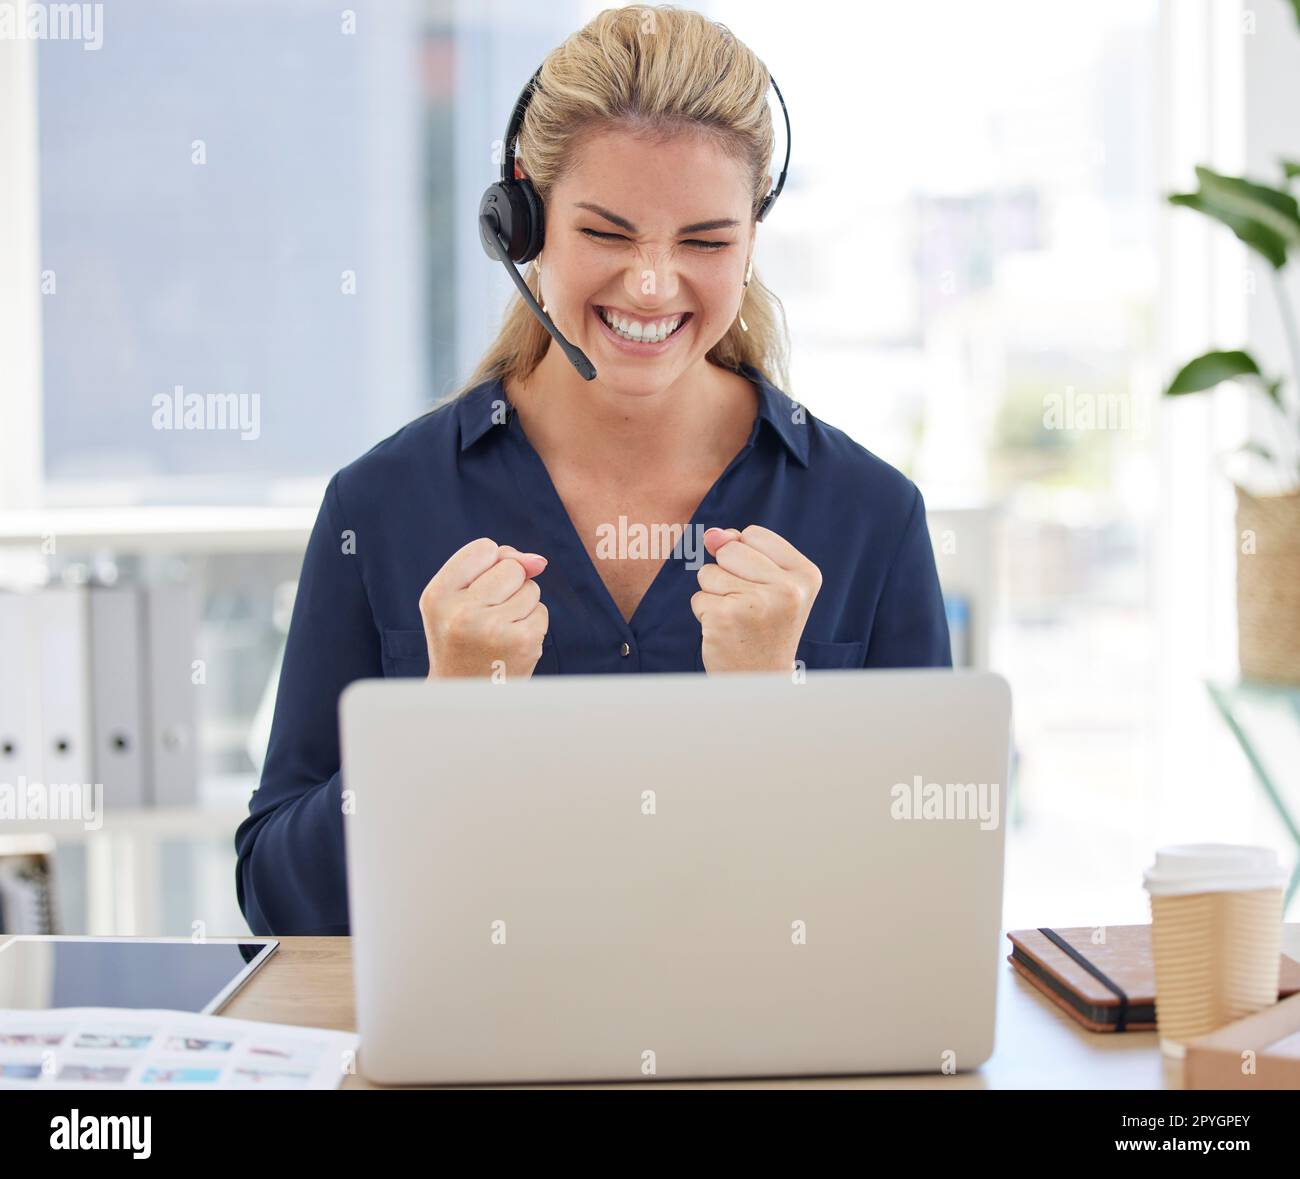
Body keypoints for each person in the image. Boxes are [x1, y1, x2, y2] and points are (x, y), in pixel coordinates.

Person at [235, 5, 950, 936]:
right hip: (469, 1068)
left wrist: (776, 712)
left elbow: (924, 906)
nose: (652, 284)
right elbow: (278, 903)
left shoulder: (870, 515)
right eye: (608, 234)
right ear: (522, 223)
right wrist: (443, 723)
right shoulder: (378, 505)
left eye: (704, 241)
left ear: (752, 239)